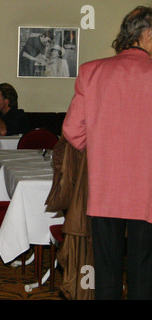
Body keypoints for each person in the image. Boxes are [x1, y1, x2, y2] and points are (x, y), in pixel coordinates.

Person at [62, 6, 152, 300]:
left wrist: (103, 148)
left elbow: (72, 131)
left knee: (107, 269)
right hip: (147, 189)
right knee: (143, 268)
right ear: (147, 34)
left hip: (105, 188)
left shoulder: (92, 71)